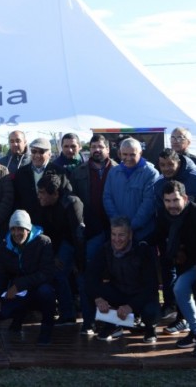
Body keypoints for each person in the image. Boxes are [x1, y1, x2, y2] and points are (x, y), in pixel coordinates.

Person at [156, 181, 196, 357]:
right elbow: (160, 238)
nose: (172, 205)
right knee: (179, 289)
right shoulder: (163, 215)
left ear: (185, 198)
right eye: (167, 201)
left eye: (175, 200)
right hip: (186, 265)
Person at [86, 216, 160, 344]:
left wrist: (131, 306)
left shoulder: (143, 251)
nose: (116, 239)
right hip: (119, 291)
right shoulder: (106, 249)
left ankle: (150, 328)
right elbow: (91, 276)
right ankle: (112, 324)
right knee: (89, 293)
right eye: (113, 234)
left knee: (151, 311)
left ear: (130, 235)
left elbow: (151, 286)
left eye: (121, 235)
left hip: (140, 295)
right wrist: (98, 297)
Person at [0, 210, 56, 344]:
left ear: (28, 229)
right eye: (13, 229)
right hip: (18, 292)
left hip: (36, 288)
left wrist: (19, 285)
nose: (16, 233)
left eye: (21, 229)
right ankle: (18, 319)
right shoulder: (4, 246)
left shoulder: (44, 242)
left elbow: (47, 273)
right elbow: (0, 275)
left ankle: (46, 329)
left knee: (47, 292)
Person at [70, 134, 114, 335]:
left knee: (114, 276)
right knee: (88, 274)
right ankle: (89, 321)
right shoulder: (78, 172)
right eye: (94, 146)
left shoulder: (118, 170)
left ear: (108, 150)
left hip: (116, 230)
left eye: (101, 146)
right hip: (92, 232)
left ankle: (112, 321)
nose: (97, 150)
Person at [37, 173, 84, 327]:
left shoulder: (72, 203)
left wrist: (78, 262)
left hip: (82, 240)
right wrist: (53, 255)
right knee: (57, 271)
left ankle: (81, 315)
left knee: (78, 275)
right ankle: (68, 313)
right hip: (64, 240)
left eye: (43, 193)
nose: (39, 196)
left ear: (55, 193)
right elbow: (50, 234)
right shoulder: (46, 205)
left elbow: (78, 235)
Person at [103, 137, 159, 243]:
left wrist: (131, 227)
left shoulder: (151, 173)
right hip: (119, 235)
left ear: (140, 153)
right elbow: (107, 198)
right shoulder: (113, 172)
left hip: (143, 234)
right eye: (125, 154)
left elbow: (149, 203)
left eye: (132, 154)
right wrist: (119, 225)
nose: (128, 158)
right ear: (120, 153)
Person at [12, 137, 69, 226]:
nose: (37, 155)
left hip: (53, 224)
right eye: (34, 151)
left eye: (42, 152)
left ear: (50, 154)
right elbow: (16, 199)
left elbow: (65, 196)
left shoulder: (60, 172)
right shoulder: (20, 173)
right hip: (28, 225)